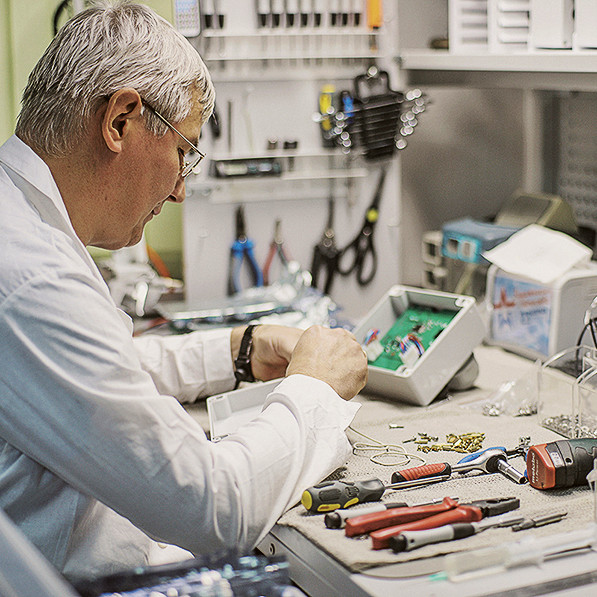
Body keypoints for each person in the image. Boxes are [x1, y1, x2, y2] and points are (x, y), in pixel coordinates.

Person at [0, 0, 367, 584]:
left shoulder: (18, 223)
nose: (180, 191)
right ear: (121, 121)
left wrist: (235, 352)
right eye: (183, 152)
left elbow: (87, 376)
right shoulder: (32, 277)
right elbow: (214, 509)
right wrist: (314, 391)